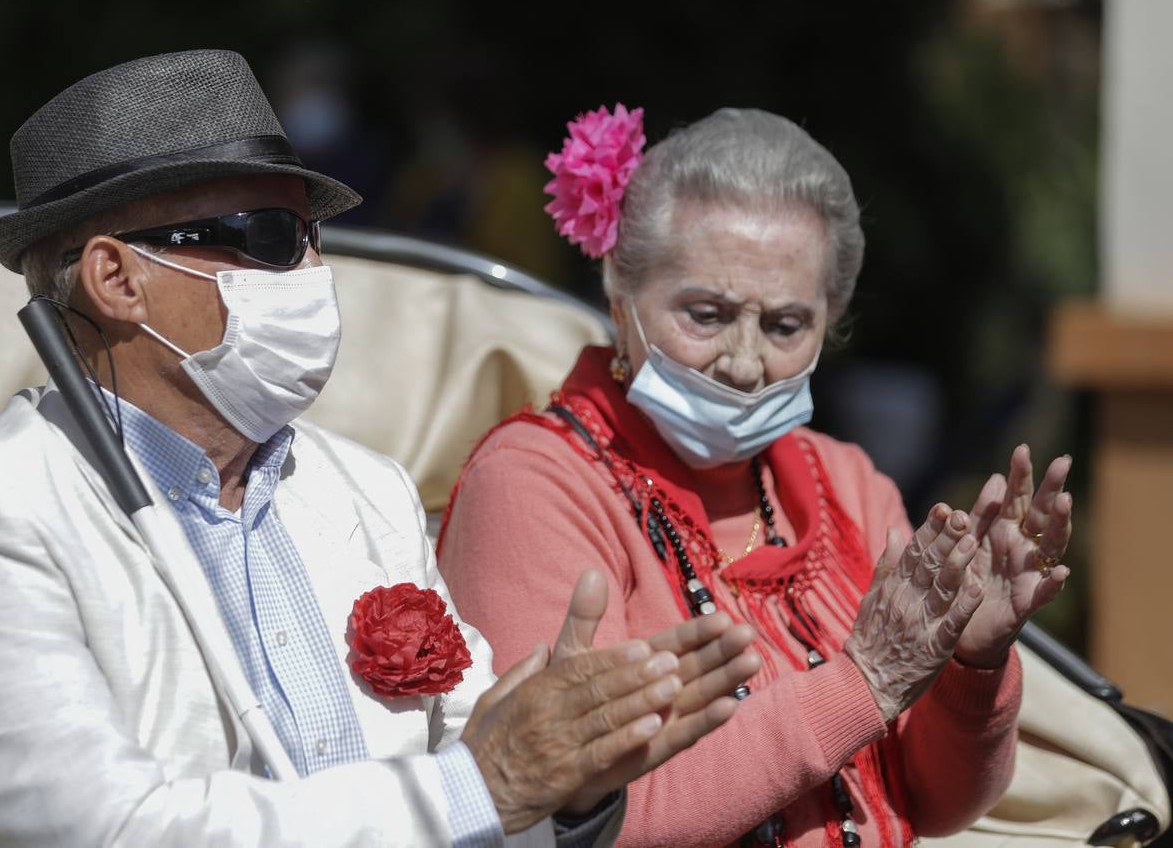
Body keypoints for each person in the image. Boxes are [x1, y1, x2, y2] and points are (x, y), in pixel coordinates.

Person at [0, 53, 764, 848]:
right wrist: (490, 783)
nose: (312, 275)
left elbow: (486, 801)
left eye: (312, 239)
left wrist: (569, 787)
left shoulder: (367, 491)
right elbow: (101, 831)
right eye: (268, 239)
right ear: (117, 278)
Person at [438, 105, 1075, 848]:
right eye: (706, 314)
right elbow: (579, 818)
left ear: (830, 321)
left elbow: (932, 806)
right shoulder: (535, 485)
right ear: (618, 289)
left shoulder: (847, 482)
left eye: (783, 326)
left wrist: (972, 661)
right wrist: (859, 682)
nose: (743, 365)